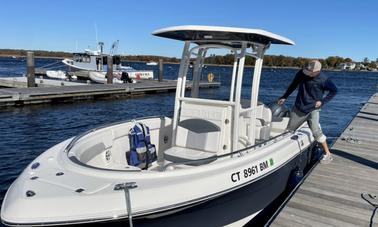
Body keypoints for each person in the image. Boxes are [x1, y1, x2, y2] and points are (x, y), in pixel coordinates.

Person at [278, 60, 337, 164]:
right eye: (307, 70)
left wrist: (322, 101)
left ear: (316, 71)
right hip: (299, 107)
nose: (307, 73)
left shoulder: (324, 79)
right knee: (288, 131)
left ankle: (328, 154)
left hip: (313, 109)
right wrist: (285, 96)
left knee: (317, 133)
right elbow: (293, 84)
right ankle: (281, 155)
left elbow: (334, 91)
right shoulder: (301, 73)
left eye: (310, 72)